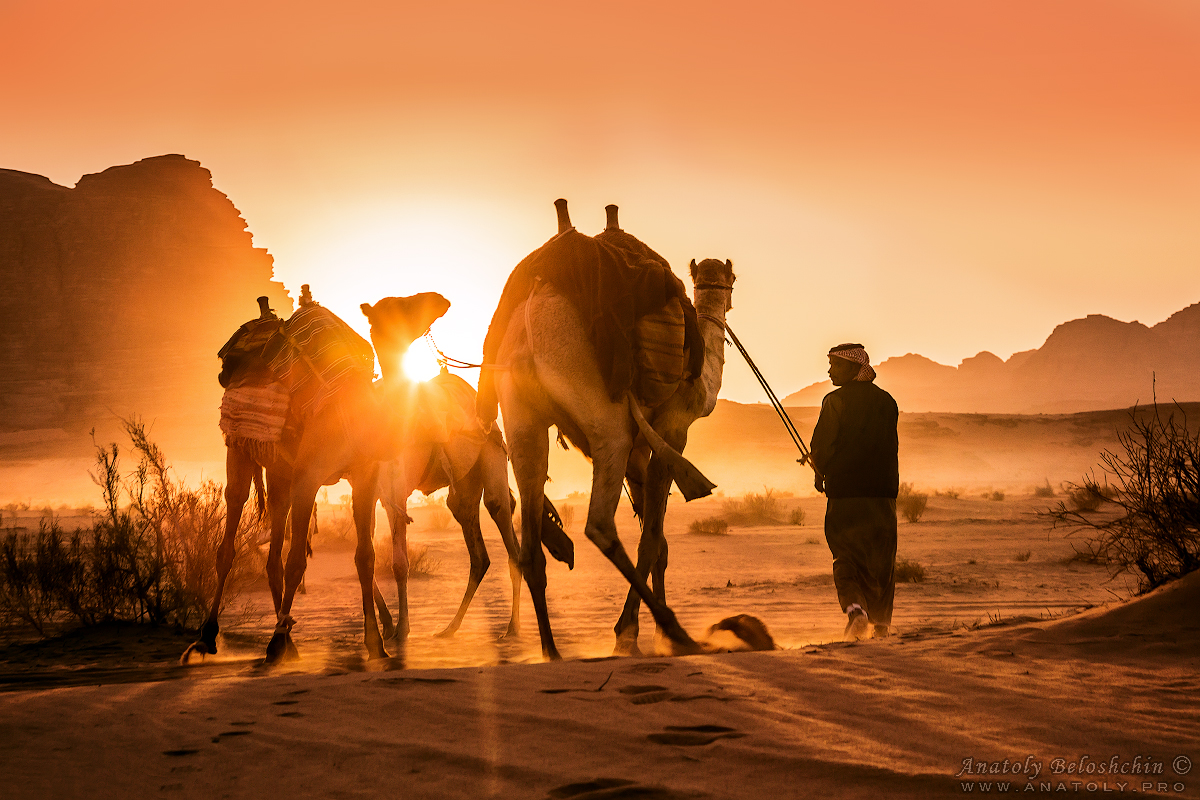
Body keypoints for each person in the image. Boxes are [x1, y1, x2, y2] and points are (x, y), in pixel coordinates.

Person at [807, 343, 899, 641]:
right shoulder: (887, 402)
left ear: (852, 368)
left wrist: (819, 474)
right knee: (881, 561)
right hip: (882, 497)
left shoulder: (834, 401)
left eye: (835, 365)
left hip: (845, 496)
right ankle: (882, 625)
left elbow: (822, 445)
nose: (830, 370)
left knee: (845, 557)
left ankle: (856, 611)